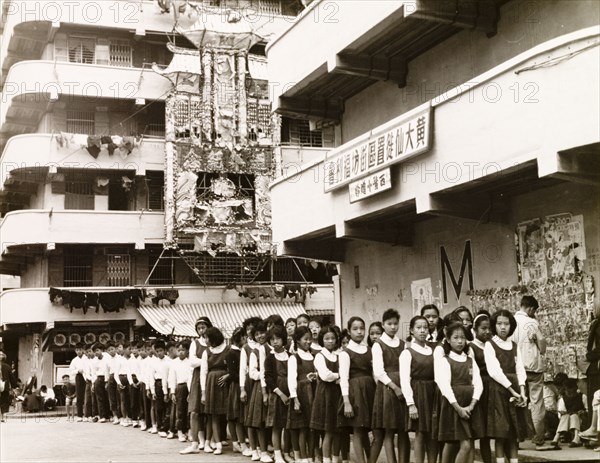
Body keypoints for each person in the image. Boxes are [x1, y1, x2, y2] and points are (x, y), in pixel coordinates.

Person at [434, 322, 483, 463]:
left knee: (464, 443)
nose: (460, 341)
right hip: (454, 406)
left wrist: (472, 405)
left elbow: (478, 384)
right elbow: (444, 386)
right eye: (455, 338)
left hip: (469, 405)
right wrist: (458, 408)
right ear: (448, 340)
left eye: (462, 337)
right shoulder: (444, 361)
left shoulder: (470, 360)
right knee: (462, 444)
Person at [484, 309, 529, 463]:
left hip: (516, 390)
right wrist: (511, 390)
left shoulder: (514, 345)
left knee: (514, 432)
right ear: (494, 325)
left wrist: (522, 390)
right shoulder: (490, 345)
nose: (503, 327)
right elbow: (494, 371)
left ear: (511, 326)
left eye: (506, 324)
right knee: (501, 433)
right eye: (499, 324)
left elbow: (520, 368)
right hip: (499, 390)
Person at [371, 308, 409, 463]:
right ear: (383, 325)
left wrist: (404, 387)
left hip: (404, 384)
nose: (393, 327)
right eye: (389, 324)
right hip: (388, 388)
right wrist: (395, 387)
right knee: (389, 430)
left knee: (404, 430)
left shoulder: (403, 344)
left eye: (395, 323)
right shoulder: (378, 344)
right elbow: (379, 372)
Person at [400, 316, 437, 463]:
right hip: (418, 394)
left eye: (425, 328)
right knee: (421, 433)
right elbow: (404, 380)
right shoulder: (407, 352)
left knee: (433, 433)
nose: (422, 331)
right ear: (411, 330)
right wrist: (411, 404)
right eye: (418, 328)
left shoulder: (433, 350)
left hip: (433, 393)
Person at [338, 317, 375, 463]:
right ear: (349, 331)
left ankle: (370, 459)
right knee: (358, 430)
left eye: (362, 328)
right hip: (355, 393)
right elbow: (344, 378)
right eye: (355, 329)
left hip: (369, 391)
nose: (359, 332)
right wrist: (346, 402)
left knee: (368, 429)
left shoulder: (370, 350)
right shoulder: (345, 353)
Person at [513, 295, 547, 449]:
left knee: (517, 402)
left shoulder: (510, 322)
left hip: (516, 369)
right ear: (531, 309)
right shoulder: (532, 322)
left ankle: (516, 439)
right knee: (537, 403)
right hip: (533, 367)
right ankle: (539, 439)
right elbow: (543, 346)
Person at [309, 326, 341, 463]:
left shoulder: (337, 355)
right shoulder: (319, 356)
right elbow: (326, 375)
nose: (330, 341)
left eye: (333, 338)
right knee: (328, 430)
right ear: (322, 340)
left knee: (337, 429)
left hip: (337, 394)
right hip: (325, 395)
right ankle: (326, 459)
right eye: (327, 338)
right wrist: (340, 375)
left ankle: (335, 458)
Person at [180, 316, 211, 454]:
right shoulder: (195, 343)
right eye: (199, 328)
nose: (201, 330)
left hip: (209, 377)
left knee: (209, 412)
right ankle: (195, 443)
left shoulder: (213, 343)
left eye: (203, 327)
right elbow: (192, 361)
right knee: (194, 411)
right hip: (197, 378)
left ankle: (208, 441)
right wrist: (206, 361)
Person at [287, 326, 317, 463]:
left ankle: (311, 456)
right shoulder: (294, 358)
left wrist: (315, 375)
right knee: (302, 428)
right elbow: (291, 379)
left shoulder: (314, 356)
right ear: (298, 340)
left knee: (311, 428)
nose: (308, 342)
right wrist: (295, 399)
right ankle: (303, 457)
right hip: (300, 395)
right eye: (305, 339)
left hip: (313, 394)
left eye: (310, 339)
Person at [201, 327, 230, 455]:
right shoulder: (206, 352)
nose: (205, 340)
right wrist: (203, 392)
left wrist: (228, 375)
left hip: (225, 384)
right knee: (212, 415)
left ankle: (221, 441)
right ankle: (217, 444)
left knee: (223, 414)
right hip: (212, 383)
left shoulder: (227, 349)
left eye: (207, 337)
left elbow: (235, 367)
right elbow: (203, 373)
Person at [264, 325, 290, 463]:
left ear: (283, 339)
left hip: (290, 394)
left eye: (278, 338)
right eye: (272, 339)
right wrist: (280, 394)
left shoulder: (291, 356)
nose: (275, 342)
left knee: (288, 426)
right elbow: (268, 378)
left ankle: (287, 452)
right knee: (277, 426)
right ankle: (277, 453)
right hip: (277, 395)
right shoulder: (270, 358)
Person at [469, 312, 492, 463]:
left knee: (491, 431)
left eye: (489, 328)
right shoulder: (471, 347)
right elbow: (471, 371)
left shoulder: (491, 345)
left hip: (492, 389)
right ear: (475, 329)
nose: (487, 331)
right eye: (483, 328)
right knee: (482, 432)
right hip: (480, 388)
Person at [227, 328, 249, 454]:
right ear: (240, 338)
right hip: (236, 387)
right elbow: (233, 374)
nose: (246, 339)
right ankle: (238, 443)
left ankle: (239, 442)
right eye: (244, 337)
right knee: (237, 417)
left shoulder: (241, 352)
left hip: (238, 385)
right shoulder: (232, 353)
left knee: (237, 416)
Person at [550, 378, 588, 448]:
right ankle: (557, 436)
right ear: (565, 390)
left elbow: (588, 410)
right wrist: (562, 413)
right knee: (565, 416)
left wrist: (584, 412)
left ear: (576, 389)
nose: (570, 395)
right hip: (567, 423)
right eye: (568, 392)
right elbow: (560, 415)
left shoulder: (582, 396)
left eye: (572, 392)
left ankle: (577, 437)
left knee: (574, 416)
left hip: (580, 420)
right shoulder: (563, 399)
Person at [169, 339, 191, 442]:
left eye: (183, 350)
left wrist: (190, 391)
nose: (181, 352)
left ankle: (188, 430)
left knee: (188, 410)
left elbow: (191, 377)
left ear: (187, 351)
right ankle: (179, 431)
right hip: (180, 387)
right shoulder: (174, 363)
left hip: (189, 387)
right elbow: (172, 378)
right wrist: (172, 392)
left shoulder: (190, 362)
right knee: (180, 411)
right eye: (179, 350)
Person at [69, 342, 87, 421]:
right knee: (79, 396)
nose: (78, 351)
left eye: (80, 350)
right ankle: (80, 415)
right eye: (77, 350)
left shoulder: (86, 358)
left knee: (88, 396)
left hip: (87, 376)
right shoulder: (74, 360)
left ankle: (88, 415)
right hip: (79, 377)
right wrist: (77, 371)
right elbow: (71, 371)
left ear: (83, 350)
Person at [0, 350, 17, 422]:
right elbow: (12, 378)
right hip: (4, 387)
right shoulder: (7, 366)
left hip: (4, 387)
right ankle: (2, 417)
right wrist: (14, 386)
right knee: (4, 401)